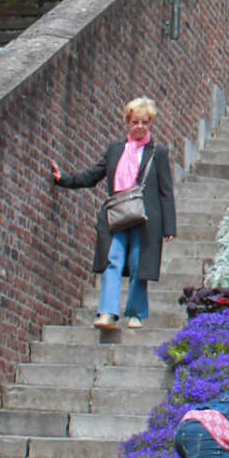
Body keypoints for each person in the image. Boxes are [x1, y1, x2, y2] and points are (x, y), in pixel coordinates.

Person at [51, 98, 176, 332]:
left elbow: (165, 190)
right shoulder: (115, 149)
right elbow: (94, 175)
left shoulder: (157, 152)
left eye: (145, 122)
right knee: (112, 259)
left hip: (145, 217)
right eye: (135, 122)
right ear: (127, 122)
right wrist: (64, 179)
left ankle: (136, 313)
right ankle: (107, 312)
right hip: (116, 213)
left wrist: (169, 226)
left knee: (139, 263)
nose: (140, 127)